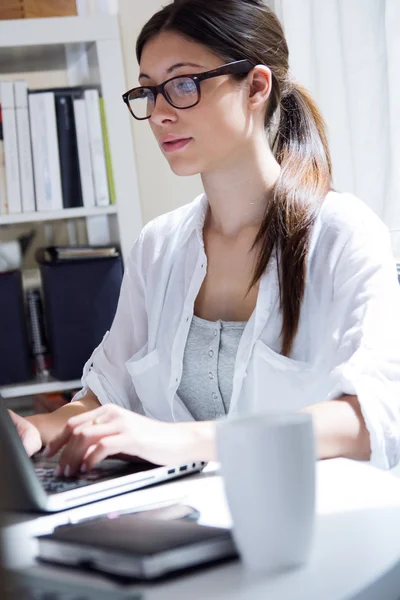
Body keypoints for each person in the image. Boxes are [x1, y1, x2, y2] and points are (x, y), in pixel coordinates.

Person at [10, 0, 400, 476]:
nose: (159, 114)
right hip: (184, 521)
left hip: (311, 523)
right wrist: (39, 429)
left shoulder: (344, 234)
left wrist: (180, 441)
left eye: (183, 84)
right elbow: (106, 393)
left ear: (256, 86)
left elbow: (372, 418)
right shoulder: (159, 246)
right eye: (149, 92)